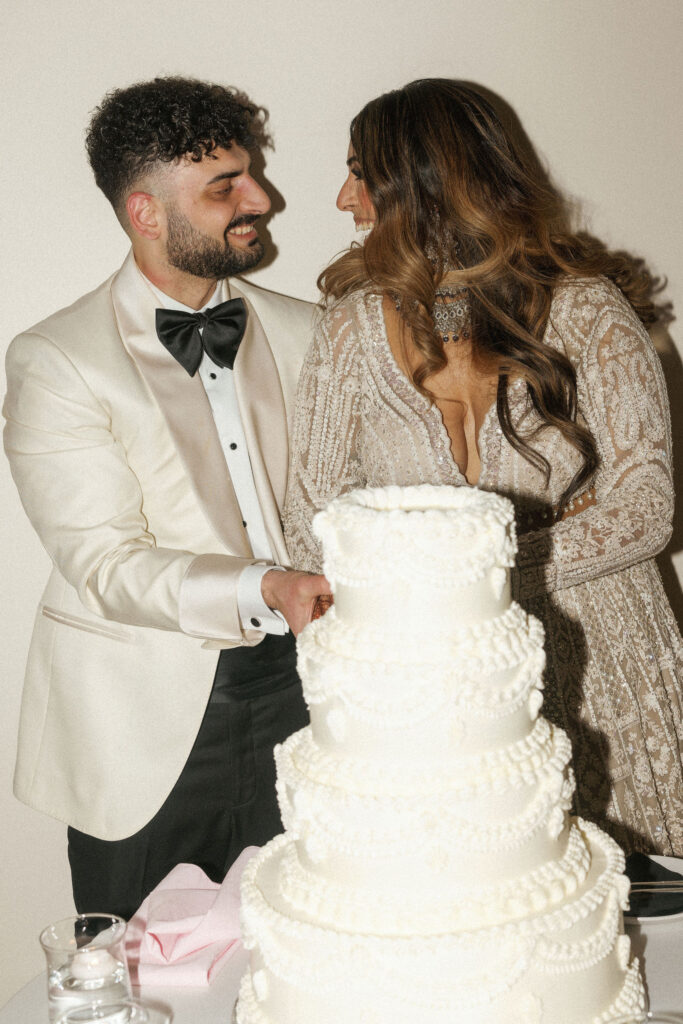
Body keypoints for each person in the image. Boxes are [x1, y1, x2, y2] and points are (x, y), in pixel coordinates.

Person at [283, 78, 683, 857]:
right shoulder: (347, 334)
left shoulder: (587, 311)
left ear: (426, 188)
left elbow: (646, 509)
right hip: (434, 678)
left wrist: (463, 569)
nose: (342, 197)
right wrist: (451, 591)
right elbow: (312, 523)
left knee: (636, 917)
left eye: (361, 172)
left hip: (606, 660)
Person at [3, 76, 328, 919]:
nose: (261, 198)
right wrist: (261, 586)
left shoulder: (310, 330)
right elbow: (103, 562)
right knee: (140, 979)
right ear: (146, 212)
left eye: (249, 173)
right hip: (140, 726)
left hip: (308, 689)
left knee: (304, 948)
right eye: (225, 186)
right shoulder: (56, 359)